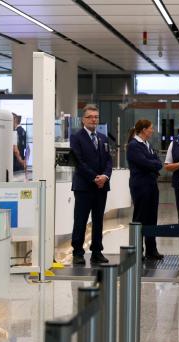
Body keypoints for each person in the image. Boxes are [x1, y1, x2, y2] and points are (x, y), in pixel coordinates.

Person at [69, 104, 112, 265]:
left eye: (96, 117)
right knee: (80, 219)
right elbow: (79, 162)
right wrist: (95, 178)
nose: (94, 119)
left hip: (102, 187)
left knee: (99, 219)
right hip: (84, 186)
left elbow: (109, 160)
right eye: (90, 117)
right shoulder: (76, 137)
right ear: (83, 120)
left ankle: (97, 251)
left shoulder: (103, 138)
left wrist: (105, 176)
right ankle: (78, 252)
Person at [126, 119, 164, 261]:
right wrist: (153, 164)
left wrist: (153, 164)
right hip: (140, 185)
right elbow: (145, 163)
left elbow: (157, 163)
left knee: (152, 218)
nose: (152, 130)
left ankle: (151, 250)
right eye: (150, 128)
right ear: (143, 130)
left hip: (151, 185)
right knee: (140, 217)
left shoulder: (147, 145)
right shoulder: (134, 145)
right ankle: (137, 250)